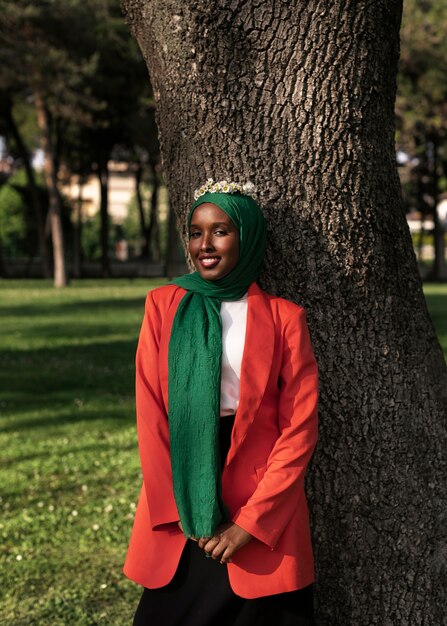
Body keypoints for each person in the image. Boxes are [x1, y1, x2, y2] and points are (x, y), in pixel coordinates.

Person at [123, 179, 319, 626]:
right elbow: (151, 413)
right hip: (182, 492)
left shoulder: (284, 318)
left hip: (261, 496)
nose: (204, 245)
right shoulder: (163, 304)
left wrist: (252, 523)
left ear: (246, 237)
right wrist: (182, 508)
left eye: (221, 231)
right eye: (195, 232)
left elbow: (300, 428)